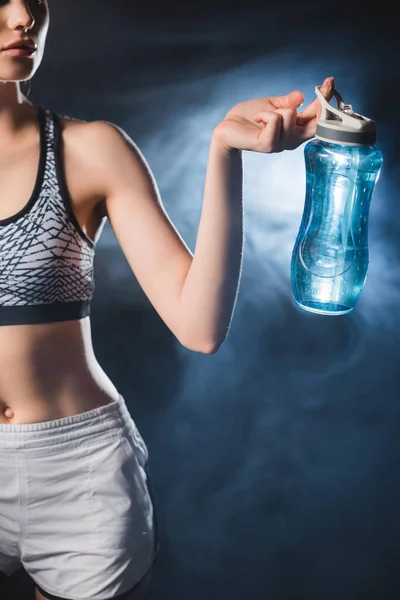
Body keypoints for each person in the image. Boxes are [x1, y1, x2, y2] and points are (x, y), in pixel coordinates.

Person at [0, 1, 335, 599]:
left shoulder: (89, 150)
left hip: (78, 471)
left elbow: (199, 327)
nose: (24, 14)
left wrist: (224, 152)